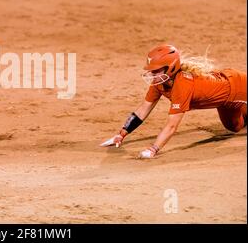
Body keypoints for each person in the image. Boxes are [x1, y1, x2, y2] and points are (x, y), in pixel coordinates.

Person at [101, 44, 246, 159]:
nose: (152, 74)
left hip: (238, 89)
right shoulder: (159, 83)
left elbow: (171, 126)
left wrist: (153, 149)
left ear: (170, 68)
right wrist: (121, 134)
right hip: (225, 101)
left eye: (156, 71)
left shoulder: (182, 86)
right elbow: (142, 110)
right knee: (234, 126)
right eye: (151, 71)